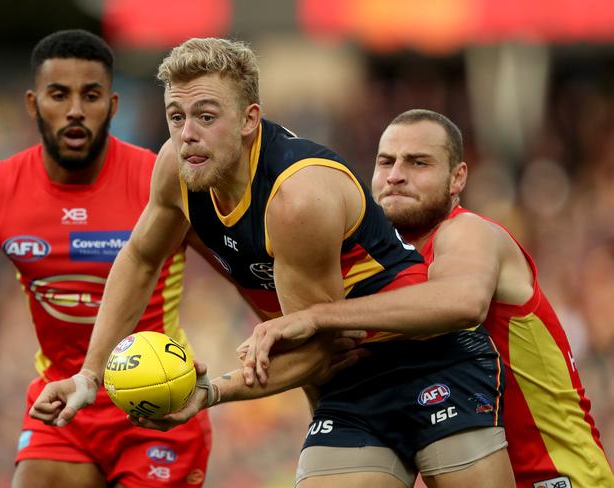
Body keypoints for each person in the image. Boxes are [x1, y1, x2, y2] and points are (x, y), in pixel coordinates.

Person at [30, 38, 515, 488]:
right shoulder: (176, 169)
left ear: (248, 119)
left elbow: (322, 343)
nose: (187, 135)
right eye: (176, 117)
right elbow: (138, 258)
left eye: (205, 116)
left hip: (432, 359)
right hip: (348, 379)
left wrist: (212, 393)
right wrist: (90, 375)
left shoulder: (296, 198)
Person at [242, 109, 614, 488]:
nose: (395, 175)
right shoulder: (380, 271)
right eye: (385, 161)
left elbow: (462, 303)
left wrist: (320, 315)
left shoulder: (470, 233)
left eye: (418, 163)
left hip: (557, 476)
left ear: (458, 178)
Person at [0, 30, 213, 488]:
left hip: (156, 402)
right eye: (59, 94)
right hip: (60, 401)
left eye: (91, 95)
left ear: (113, 107)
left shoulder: (162, 185)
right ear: (33, 104)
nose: (75, 109)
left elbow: (251, 278)